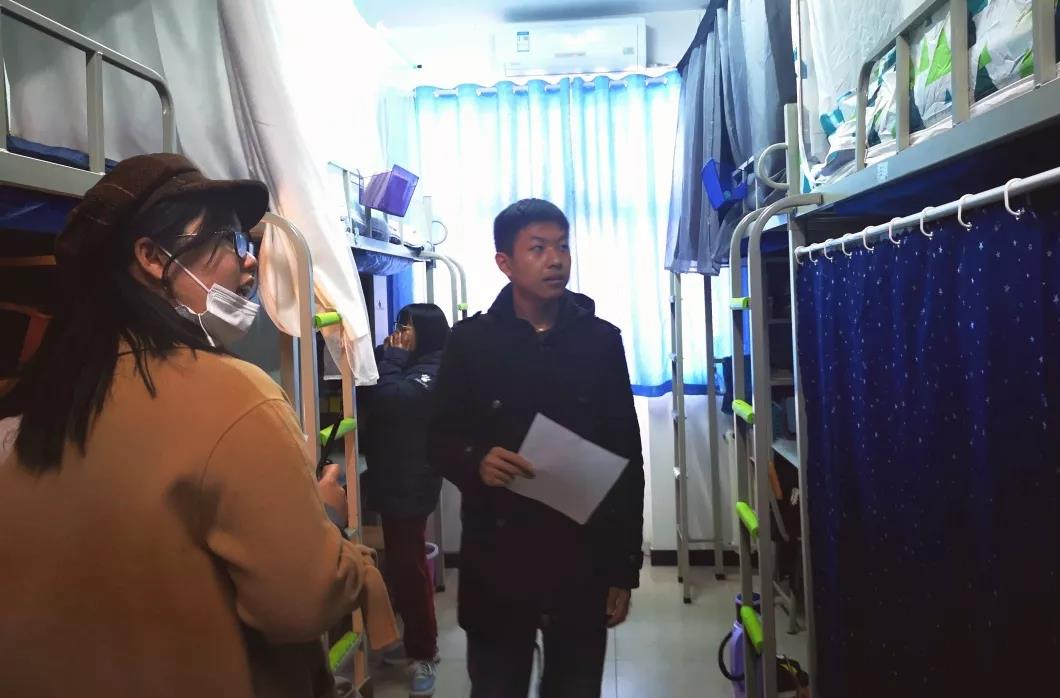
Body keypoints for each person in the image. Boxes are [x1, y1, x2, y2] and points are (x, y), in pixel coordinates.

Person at [0, 153, 397, 698]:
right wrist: (325, 518)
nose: (250, 260)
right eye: (229, 240)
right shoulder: (238, 398)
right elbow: (301, 606)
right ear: (152, 257)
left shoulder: (38, 402)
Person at [430, 198, 645, 698]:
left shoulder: (599, 342)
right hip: (498, 556)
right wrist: (476, 461)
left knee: (575, 685)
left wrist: (623, 568)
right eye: (539, 248)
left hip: (581, 556)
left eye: (562, 247)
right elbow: (438, 438)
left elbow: (626, 458)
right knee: (497, 685)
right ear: (504, 262)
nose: (556, 260)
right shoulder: (471, 343)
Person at [356, 303, 449, 698]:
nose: (399, 333)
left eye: (406, 326)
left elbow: (394, 399)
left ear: (425, 331)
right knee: (398, 564)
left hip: (411, 483)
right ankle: (408, 641)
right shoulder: (413, 362)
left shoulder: (435, 367)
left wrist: (392, 358)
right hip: (395, 478)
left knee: (410, 569)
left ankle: (424, 652)